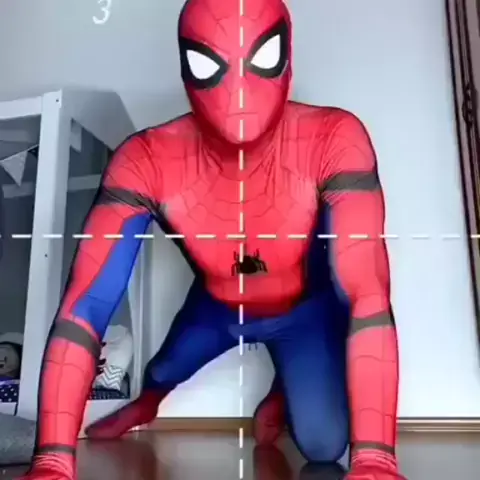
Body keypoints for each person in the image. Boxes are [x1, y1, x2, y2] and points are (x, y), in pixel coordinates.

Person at [20, 0, 405, 479]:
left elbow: (367, 294)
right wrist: (52, 459)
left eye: (262, 57)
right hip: (217, 309)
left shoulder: (334, 139)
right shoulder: (145, 160)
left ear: (286, 57)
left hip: (304, 313)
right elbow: (86, 306)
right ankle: (148, 404)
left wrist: (375, 458)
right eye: (209, 65)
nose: (238, 92)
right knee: (162, 373)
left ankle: (285, 385)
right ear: (187, 68)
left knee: (324, 446)